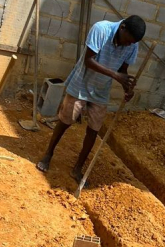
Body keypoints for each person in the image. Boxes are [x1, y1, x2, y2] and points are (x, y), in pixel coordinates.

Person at [37, 14, 146, 182]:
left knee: (94, 130)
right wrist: (115, 75)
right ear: (122, 27)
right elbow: (88, 60)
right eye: (127, 40)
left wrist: (127, 87)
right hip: (81, 83)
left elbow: (122, 71)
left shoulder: (132, 45)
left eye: (132, 43)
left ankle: (78, 168)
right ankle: (48, 154)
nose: (128, 45)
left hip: (101, 90)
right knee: (65, 121)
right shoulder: (101, 29)